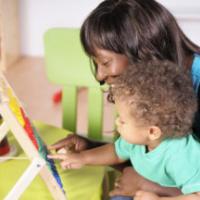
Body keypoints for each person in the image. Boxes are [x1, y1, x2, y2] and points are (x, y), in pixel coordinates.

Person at [49, 0, 200, 197]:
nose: (99, 76)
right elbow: (141, 150)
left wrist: (152, 187)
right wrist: (90, 148)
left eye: (105, 62)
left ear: (145, 52)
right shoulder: (151, 93)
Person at [48, 60, 200, 200]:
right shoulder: (139, 138)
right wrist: (82, 158)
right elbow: (115, 152)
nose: (116, 122)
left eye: (122, 120)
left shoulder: (181, 155)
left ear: (153, 132)